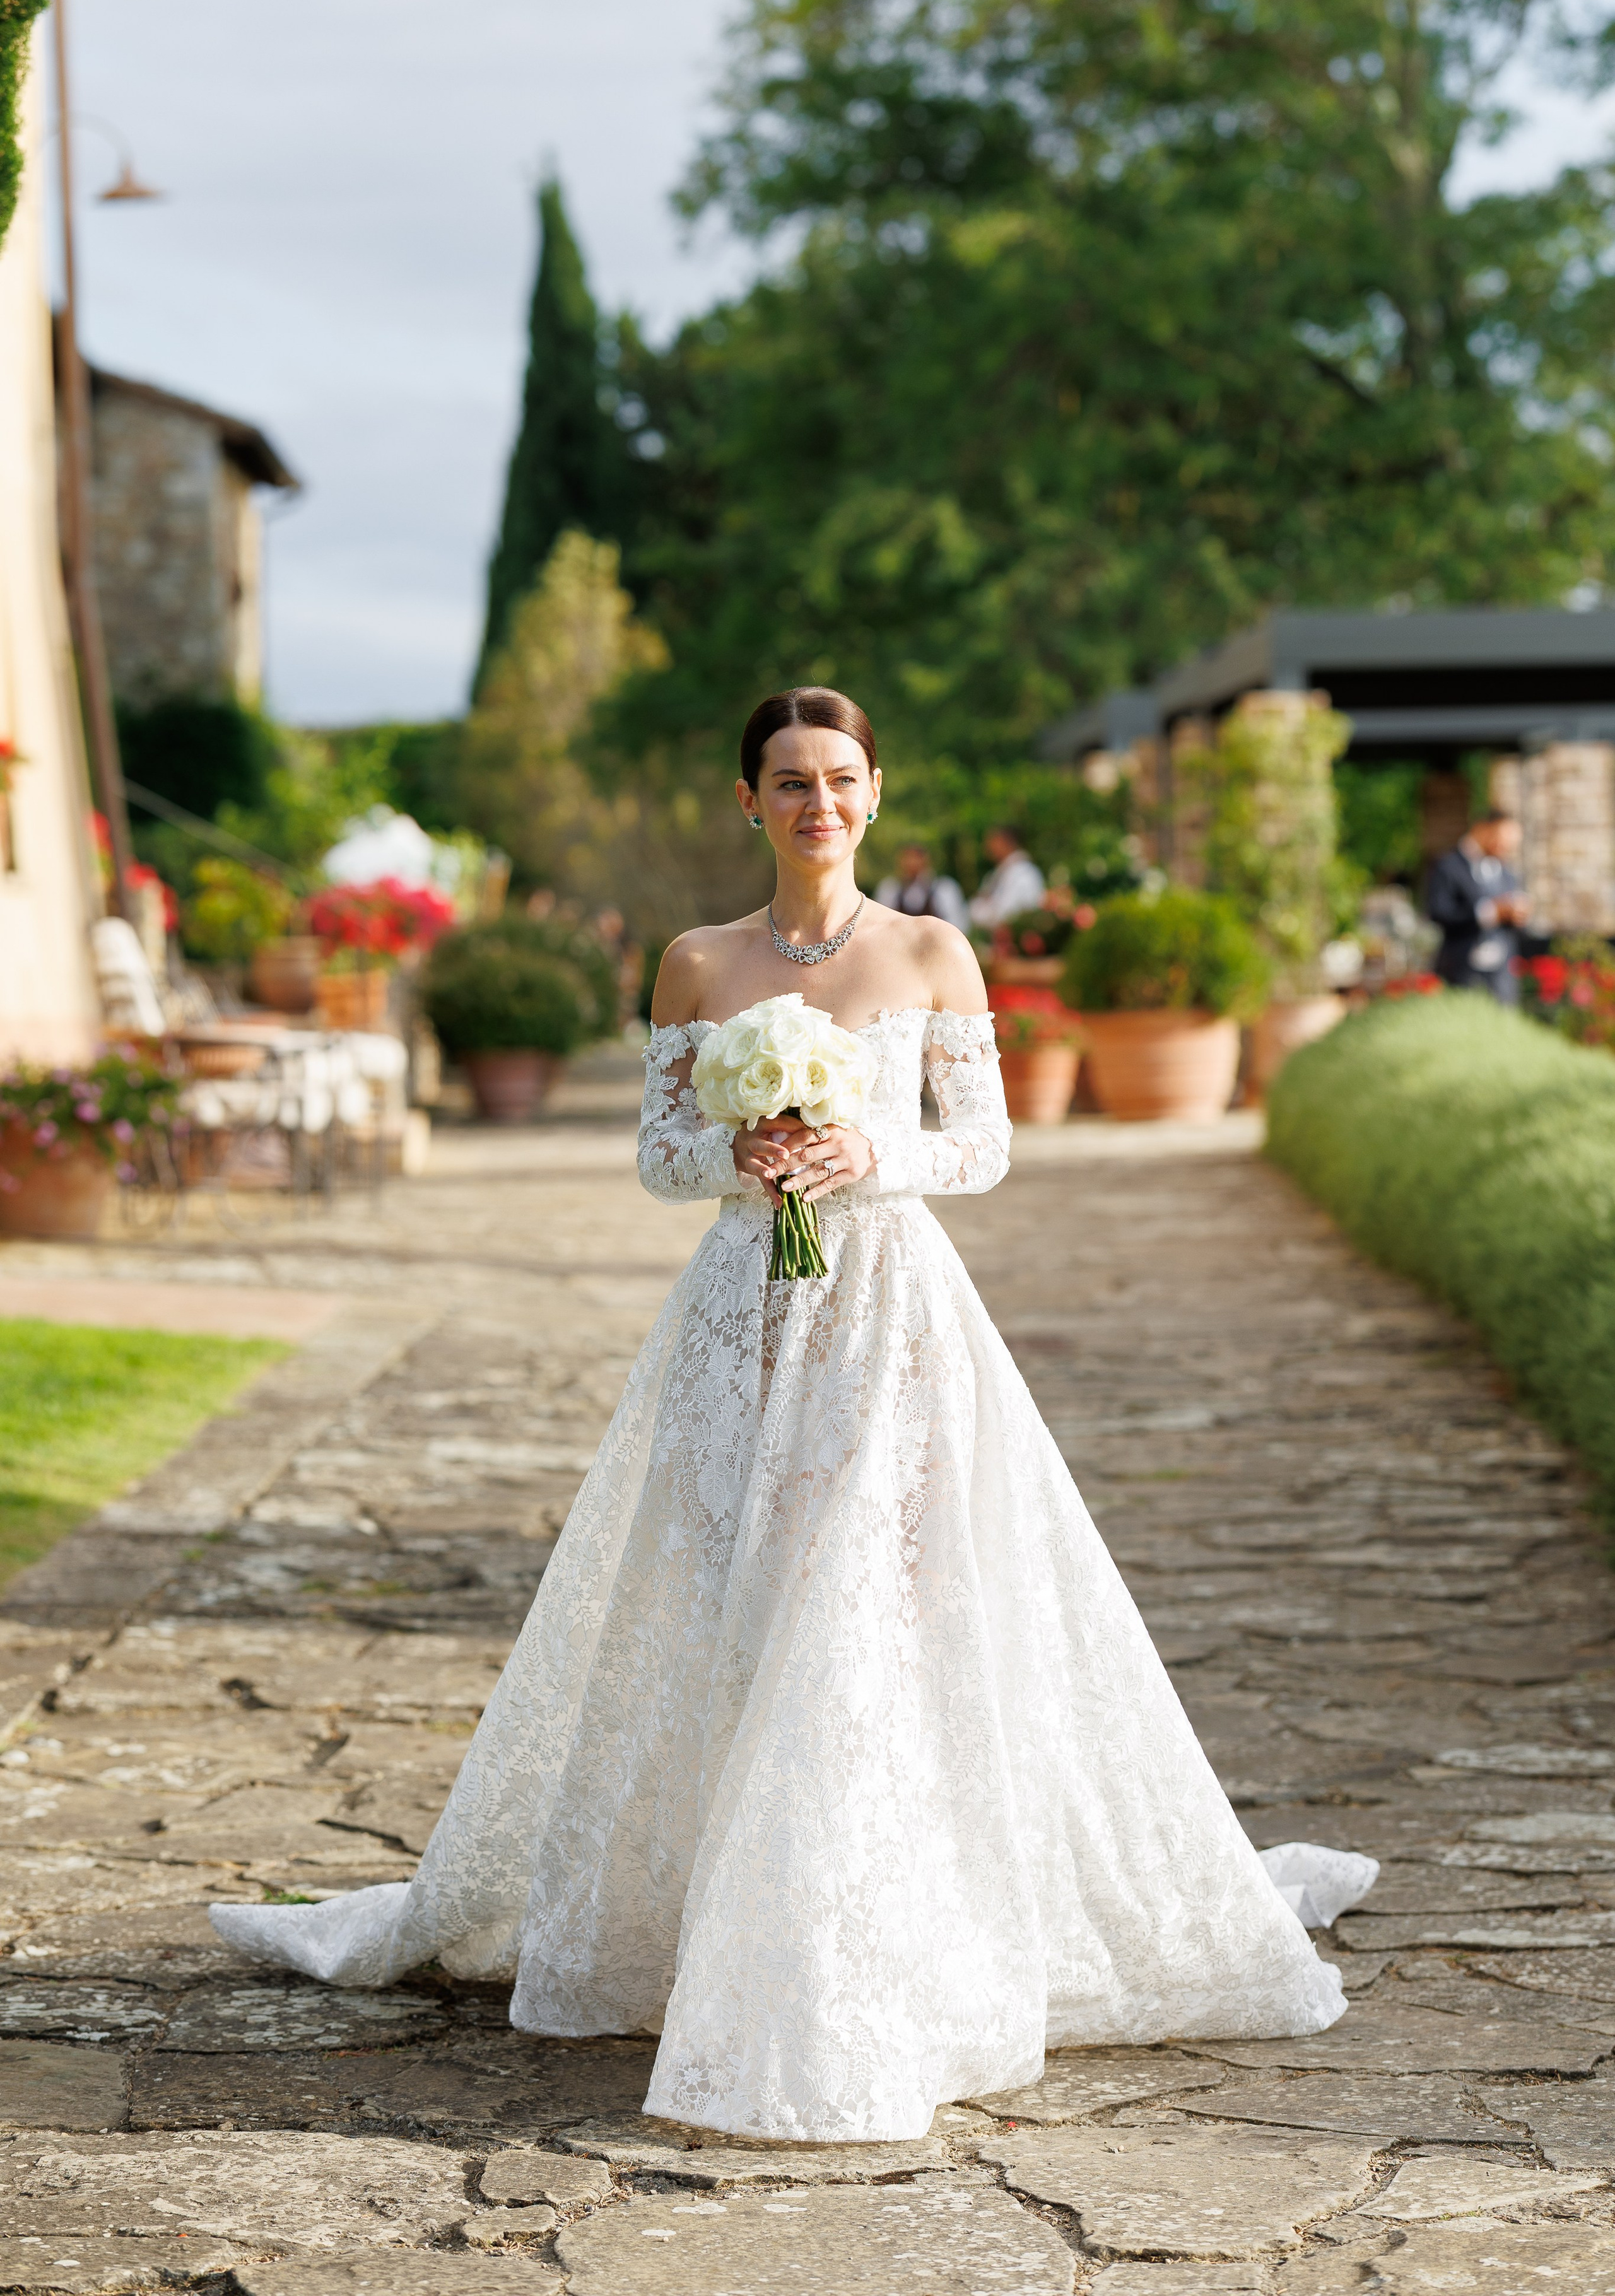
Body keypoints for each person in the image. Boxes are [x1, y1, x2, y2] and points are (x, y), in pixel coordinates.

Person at [210, 684, 1366, 2143]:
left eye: (838, 777)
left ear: (872, 794)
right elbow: (656, 1155)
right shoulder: (695, 960)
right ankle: (711, 1906)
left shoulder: (931, 950)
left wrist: (867, 1143)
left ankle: (862, 1942)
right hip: (736, 1317)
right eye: (787, 779)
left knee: (869, 1601)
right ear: (745, 800)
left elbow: (986, 1147)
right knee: (728, 1595)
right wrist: (740, 1152)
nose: (815, 801)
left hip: (888, 1312)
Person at [1428, 809, 1529, 1005]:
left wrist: (1517, 915)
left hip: (1501, 977)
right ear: (1483, 830)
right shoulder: (1447, 866)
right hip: (1461, 970)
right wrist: (1489, 912)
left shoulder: (1506, 871)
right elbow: (1438, 912)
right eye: (1502, 840)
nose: (1506, 849)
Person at [874, 840, 970, 930]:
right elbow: (881, 921)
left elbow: (957, 924)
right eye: (907, 858)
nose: (911, 863)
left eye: (915, 858)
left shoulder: (945, 888)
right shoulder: (889, 888)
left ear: (926, 861)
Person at [968, 823, 1045, 929]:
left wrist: (980, 910)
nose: (987, 847)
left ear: (1008, 842)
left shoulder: (1025, 873)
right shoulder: (994, 875)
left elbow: (1005, 915)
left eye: (993, 841)